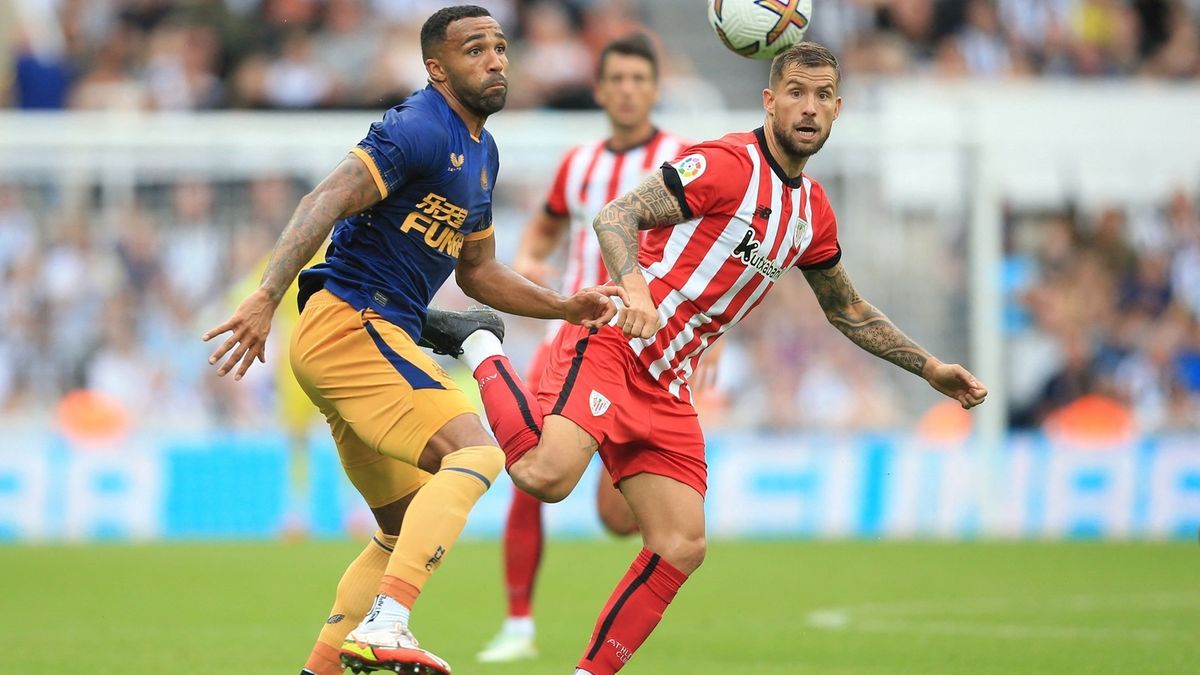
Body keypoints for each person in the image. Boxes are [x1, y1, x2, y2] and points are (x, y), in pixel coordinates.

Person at [420, 42, 989, 674]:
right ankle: (480, 341)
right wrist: (633, 287)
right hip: (615, 344)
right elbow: (617, 215)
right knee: (546, 479)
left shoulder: (812, 213)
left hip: (669, 384)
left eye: (822, 96)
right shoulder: (725, 164)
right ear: (770, 102)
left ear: (838, 108)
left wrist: (930, 367)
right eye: (795, 93)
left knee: (681, 543)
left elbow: (847, 310)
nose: (808, 108)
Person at [201, 6, 621, 675]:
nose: (495, 60)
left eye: (501, 47)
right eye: (475, 49)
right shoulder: (419, 126)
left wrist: (563, 304)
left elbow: (478, 272)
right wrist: (265, 291)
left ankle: (322, 666)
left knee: (399, 528)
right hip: (353, 324)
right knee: (479, 453)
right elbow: (326, 198)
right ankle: (389, 620)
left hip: (351, 338)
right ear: (437, 67)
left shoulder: (481, 153)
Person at [475, 32, 699, 664]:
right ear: (600, 90)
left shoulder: (685, 161)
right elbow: (541, 233)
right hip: (574, 338)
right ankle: (518, 623)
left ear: (654, 90)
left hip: (655, 353)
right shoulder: (579, 165)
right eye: (617, 79)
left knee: (621, 519)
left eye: (639, 80)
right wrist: (532, 280)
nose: (628, 90)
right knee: (536, 475)